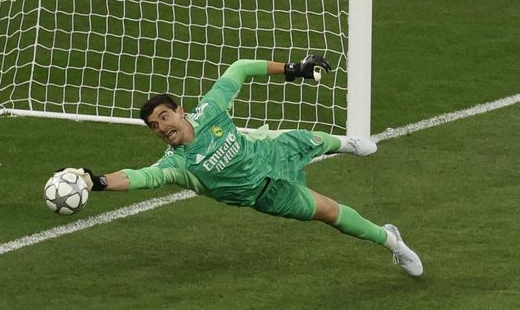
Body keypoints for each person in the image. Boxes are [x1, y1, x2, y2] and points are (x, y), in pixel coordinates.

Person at [59, 56, 423, 276]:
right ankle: (393, 241)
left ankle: (348, 143)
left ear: (180, 110)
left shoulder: (211, 108)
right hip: (268, 196)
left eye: (165, 116)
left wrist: (293, 69)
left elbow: (241, 68)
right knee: (329, 212)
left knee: (311, 140)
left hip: (270, 153)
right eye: (154, 125)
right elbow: (141, 177)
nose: (162, 127)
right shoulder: (177, 165)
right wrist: (98, 182)